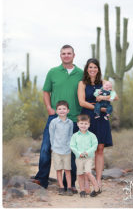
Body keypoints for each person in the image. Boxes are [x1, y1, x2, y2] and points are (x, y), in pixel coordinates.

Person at [34, 45, 83, 193]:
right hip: (54, 117)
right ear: (60, 55)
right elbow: (46, 91)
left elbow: (92, 87)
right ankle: (41, 179)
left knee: (72, 151)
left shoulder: (81, 73)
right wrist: (49, 108)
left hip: (74, 118)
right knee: (46, 147)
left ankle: (70, 184)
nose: (66, 56)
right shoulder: (53, 72)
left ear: (74, 55)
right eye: (63, 53)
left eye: (69, 53)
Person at [77, 58, 118, 193]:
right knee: (88, 149)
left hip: (101, 119)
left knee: (100, 149)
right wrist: (98, 108)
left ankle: (99, 180)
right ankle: (88, 181)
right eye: (90, 67)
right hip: (88, 118)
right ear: (87, 69)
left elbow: (115, 97)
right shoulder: (82, 84)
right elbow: (82, 102)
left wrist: (104, 99)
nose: (93, 69)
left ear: (98, 69)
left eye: (95, 67)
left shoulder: (105, 83)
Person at [70, 114, 101, 197]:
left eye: (86, 124)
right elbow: (72, 146)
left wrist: (87, 152)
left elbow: (95, 145)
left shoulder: (92, 136)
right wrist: (78, 153)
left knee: (88, 172)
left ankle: (97, 188)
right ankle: (82, 191)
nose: (83, 125)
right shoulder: (75, 136)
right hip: (79, 158)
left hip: (88, 158)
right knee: (80, 174)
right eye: (81, 123)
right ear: (78, 124)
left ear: (89, 124)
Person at [49, 100, 73, 196]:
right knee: (59, 170)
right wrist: (53, 147)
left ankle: (69, 187)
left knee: (67, 170)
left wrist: (71, 146)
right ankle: (61, 187)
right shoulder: (53, 122)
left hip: (67, 150)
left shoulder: (70, 122)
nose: (62, 110)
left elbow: (71, 135)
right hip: (57, 150)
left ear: (68, 111)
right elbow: (51, 135)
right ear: (56, 111)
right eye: (59, 109)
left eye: (64, 109)